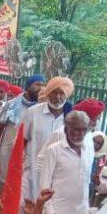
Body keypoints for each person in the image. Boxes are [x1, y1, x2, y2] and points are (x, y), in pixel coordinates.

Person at [37, 110, 94, 214]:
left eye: (83, 129)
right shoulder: (54, 150)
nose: (79, 133)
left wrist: (87, 210)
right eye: (76, 129)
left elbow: (86, 182)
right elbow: (44, 185)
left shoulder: (89, 148)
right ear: (66, 128)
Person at [0, 75, 44, 199]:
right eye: (37, 84)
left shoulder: (41, 109)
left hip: (28, 159)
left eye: (42, 85)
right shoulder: (12, 104)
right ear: (28, 86)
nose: (40, 88)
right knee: (0, 188)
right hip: (7, 155)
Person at [21, 77, 72, 205]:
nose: (58, 97)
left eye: (62, 93)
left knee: (46, 212)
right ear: (48, 93)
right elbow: (21, 141)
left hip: (56, 176)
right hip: (31, 171)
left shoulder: (71, 118)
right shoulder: (33, 112)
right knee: (24, 207)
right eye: (55, 92)